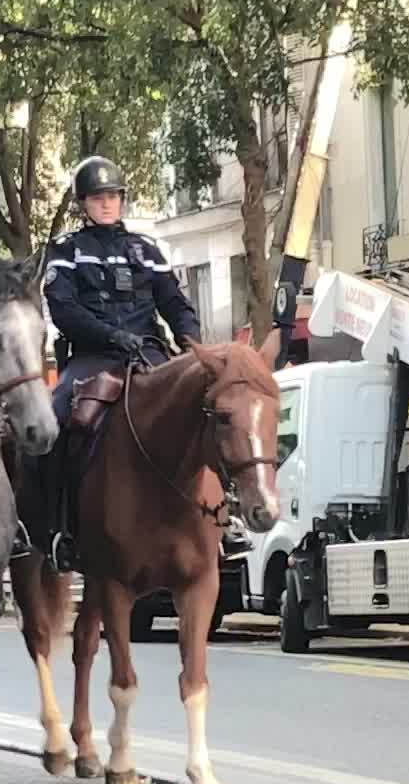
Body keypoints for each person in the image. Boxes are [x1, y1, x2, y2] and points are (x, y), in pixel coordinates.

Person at [42, 154, 252, 572]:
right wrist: (111, 335)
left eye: (114, 197)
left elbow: (174, 302)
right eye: (98, 197)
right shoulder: (66, 251)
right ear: (83, 203)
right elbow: (63, 309)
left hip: (150, 357)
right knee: (54, 418)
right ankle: (58, 528)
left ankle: (227, 517)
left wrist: (194, 345)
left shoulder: (147, 250)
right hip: (92, 358)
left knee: (206, 411)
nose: (107, 204)